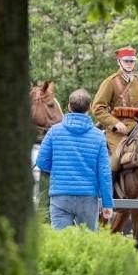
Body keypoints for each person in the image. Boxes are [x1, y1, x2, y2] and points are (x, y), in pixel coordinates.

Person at [37, 88, 113, 230]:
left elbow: (41, 162)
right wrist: (107, 203)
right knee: (87, 243)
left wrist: (58, 169)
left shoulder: (54, 131)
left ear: (69, 107)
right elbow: (104, 173)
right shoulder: (98, 136)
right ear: (89, 108)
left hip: (61, 196)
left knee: (61, 244)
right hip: (88, 198)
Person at [92, 46, 138, 155]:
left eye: (132, 61)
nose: (129, 63)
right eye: (126, 61)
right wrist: (115, 123)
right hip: (118, 131)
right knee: (117, 160)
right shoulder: (110, 82)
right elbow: (97, 108)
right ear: (119, 62)